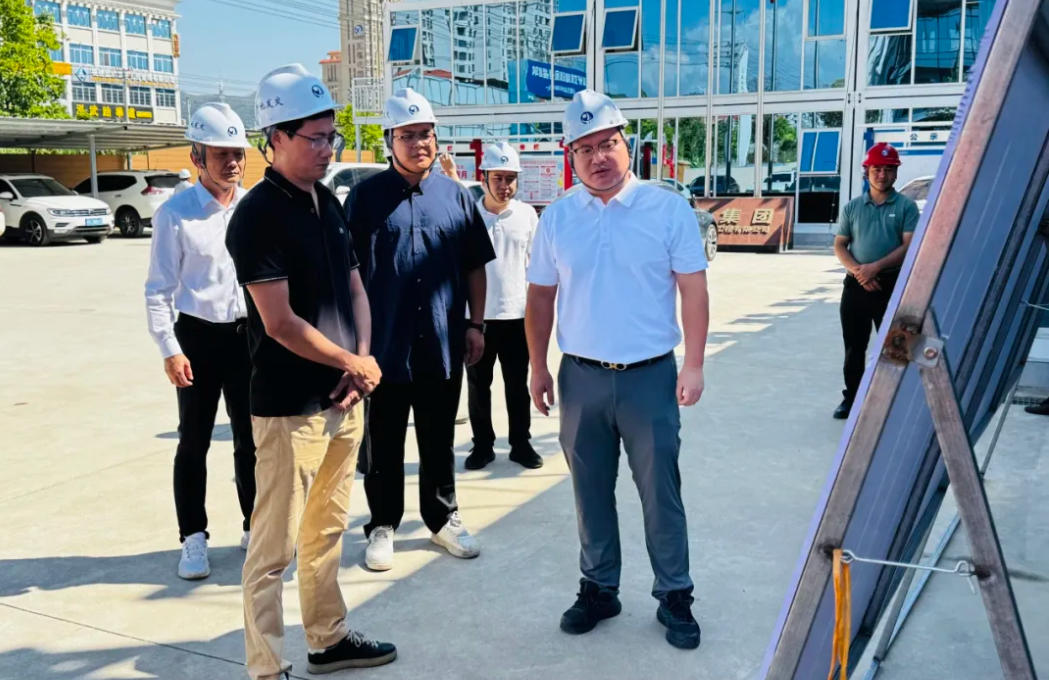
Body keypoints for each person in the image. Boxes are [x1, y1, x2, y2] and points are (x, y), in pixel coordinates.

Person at [225, 64, 395, 680]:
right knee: (273, 548)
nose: (327, 150)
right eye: (315, 138)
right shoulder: (257, 216)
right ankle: (266, 668)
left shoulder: (328, 202)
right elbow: (280, 322)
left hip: (344, 400)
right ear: (275, 137)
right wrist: (352, 361)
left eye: (332, 138)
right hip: (289, 409)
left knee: (327, 532)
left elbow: (355, 287)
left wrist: (362, 362)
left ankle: (328, 638)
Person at [525, 90, 709, 650]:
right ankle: (600, 588)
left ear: (627, 145)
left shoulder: (666, 209)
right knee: (590, 491)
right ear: (571, 156)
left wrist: (694, 364)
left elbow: (693, 290)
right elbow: (540, 298)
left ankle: (674, 594)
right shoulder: (557, 219)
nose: (598, 157)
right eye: (585, 149)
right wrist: (538, 367)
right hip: (580, 377)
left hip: (649, 377)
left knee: (660, 492)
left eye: (607, 144)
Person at [344, 87, 496, 572]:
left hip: (442, 341)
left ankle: (442, 518)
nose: (419, 144)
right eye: (407, 135)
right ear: (389, 140)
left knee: (438, 438)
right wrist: (353, 346)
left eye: (426, 134)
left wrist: (476, 324)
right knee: (382, 442)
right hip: (383, 345)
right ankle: (382, 525)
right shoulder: (365, 198)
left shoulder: (457, 197)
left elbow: (475, 266)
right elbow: (348, 274)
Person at [144, 102, 255, 581]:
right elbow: (158, 289)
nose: (232, 162)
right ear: (197, 156)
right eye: (221, 153)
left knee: (252, 441)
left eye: (238, 153)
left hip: (249, 338)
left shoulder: (253, 207)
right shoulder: (176, 214)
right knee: (193, 442)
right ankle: (193, 536)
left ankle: (255, 526)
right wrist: (169, 349)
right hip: (198, 338)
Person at [464, 142, 542, 470]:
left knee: (516, 384)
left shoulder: (526, 215)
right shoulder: (469, 215)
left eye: (511, 178)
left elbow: (536, 265)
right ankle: (482, 446)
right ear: (484, 177)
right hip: (477, 319)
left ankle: (521, 444)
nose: (505, 185)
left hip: (517, 316)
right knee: (478, 386)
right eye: (498, 178)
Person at [832, 142, 919, 419]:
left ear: (896, 173)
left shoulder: (906, 207)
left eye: (888, 169)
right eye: (877, 169)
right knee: (854, 347)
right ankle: (852, 399)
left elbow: (909, 245)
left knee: (898, 345)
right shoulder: (853, 207)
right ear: (867, 172)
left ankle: (895, 402)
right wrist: (859, 272)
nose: (882, 174)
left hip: (892, 286)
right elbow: (840, 245)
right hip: (856, 287)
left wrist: (876, 268)